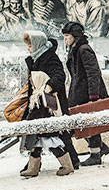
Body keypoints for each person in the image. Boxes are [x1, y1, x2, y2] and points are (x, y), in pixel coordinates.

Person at [20, 30, 76, 177]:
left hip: (47, 105)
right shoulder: (35, 59)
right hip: (37, 103)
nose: (28, 49)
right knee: (36, 134)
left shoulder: (49, 58)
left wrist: (49, 86)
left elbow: (59, 75)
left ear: (37, 45)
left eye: (30, 45)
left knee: (47, 135)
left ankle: (67, 165)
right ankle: (33, 167)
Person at [62, 21, 109, 166]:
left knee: (90, 123)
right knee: (78, 123)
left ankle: (96, 154)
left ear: (75, 36)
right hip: (78, 91)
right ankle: (101, 148)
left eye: (67, 36)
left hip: (87, 93)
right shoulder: (74, 50)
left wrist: (94, 97)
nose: (65, 39)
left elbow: (93, 73)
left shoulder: (83, 50)